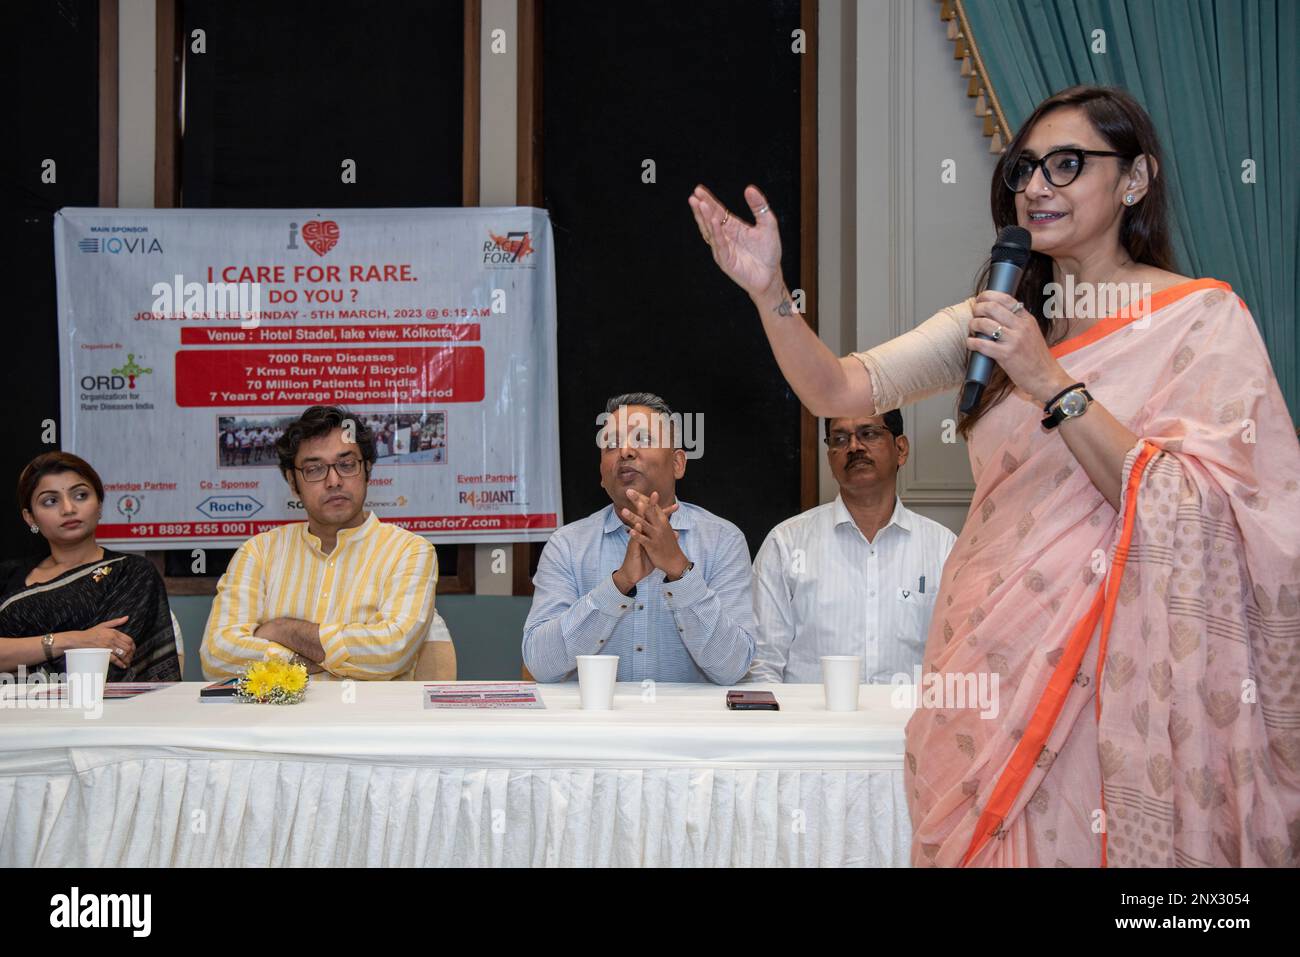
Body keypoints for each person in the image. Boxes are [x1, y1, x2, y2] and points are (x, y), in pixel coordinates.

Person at [690, 84, 1299, 867]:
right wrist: (770, 293)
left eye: (1067, 165)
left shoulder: (1200, 320)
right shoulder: (993, 315)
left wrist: (1049, 381)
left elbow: (1224, 517)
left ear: (1136, 179)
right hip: (988, 653)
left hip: (1115, 672)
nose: (1035, 187)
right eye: (1023, 168)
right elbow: (839, 389)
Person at [523, 392, 756, 684]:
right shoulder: (567, 545)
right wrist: (619, 584)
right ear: (601, 474)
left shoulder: (723, 541)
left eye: (643, 439)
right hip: (596, 726)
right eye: (611, 445)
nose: (625, 452)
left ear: (678, 463)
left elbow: (732, 668)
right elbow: (540, 665)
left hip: (688, 726)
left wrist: (679, 572)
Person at [201, 405, 437, 680]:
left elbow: (391, 652)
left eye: (347, 465)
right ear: (293, 482)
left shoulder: (409, 551)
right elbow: (217, 655)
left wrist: (281, 630)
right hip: (277, 720)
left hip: (371, 720)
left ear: (367, 470)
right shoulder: (259, 551)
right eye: (314, 469)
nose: (334, 481)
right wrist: (299, 658)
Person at [749, 411, 956, 684]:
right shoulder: (786, 543)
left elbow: (958, 661)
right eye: (840, 439)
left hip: (907, 724)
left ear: (901, 449)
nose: (854, 447)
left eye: (869, 433)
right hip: (811, 725)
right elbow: (762, 666)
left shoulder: (943, 548)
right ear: (829, 457)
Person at [0, 452, 180, 680]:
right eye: (50, 501)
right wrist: (72, 640)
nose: (68, 509)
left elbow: (106, 663)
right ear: (30, 518)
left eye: (80, 495)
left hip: (101, 712)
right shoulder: (7, 576)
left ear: (99, 504)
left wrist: (15, 657)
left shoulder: (130, 574)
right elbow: (87, 648)